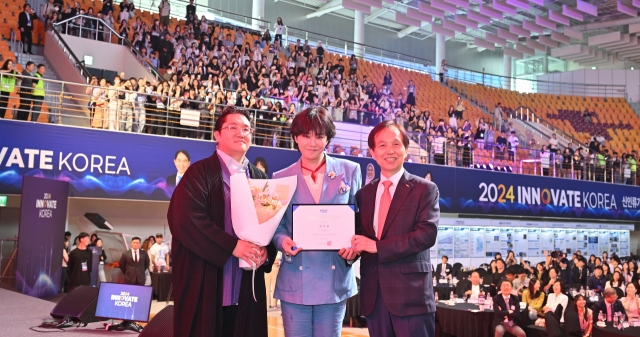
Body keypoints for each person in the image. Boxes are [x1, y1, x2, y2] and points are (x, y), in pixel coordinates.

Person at [167, 106, 276, 337]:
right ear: (217, 134)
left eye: (246, 129)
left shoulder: (260, 179)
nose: (241, 133)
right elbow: (186, 220)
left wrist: (267, 251)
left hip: (247, 285)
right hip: (207, 283)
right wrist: (233, 246)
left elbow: (272, 224)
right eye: (232, 127)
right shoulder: (199, 173)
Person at [271, 106, 361, 336]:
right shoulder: (280, 177)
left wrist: (354, 248)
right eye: (306, 135)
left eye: (319, 135)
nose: (312, 142)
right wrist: (282, 241)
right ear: (295, 137)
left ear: (328, 138)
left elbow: (358, 221)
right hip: (295, 279)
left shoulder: (350, 171)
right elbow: (276, 225)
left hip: (334, 279)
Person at [353, 121, 439, 337]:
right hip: (375, 297)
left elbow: (426, 235)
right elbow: (359, 237)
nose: (390, 151)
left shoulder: (425, 189)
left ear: (406, 150)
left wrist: (377, 247)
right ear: (372, 152)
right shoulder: (364, 194)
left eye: (396, 144)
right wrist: (349, 250)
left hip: (411, 297)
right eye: (382, 145)